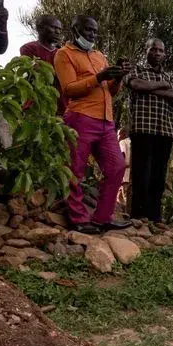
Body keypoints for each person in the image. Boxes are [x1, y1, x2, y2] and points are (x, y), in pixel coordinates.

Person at [53, 15, 131, 234]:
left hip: (106, 120)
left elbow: (111, 91)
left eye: (95, 31)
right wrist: (99, 77)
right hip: (80, 117)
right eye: (88, 30)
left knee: (116, 167)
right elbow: (69, 89)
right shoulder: (63, 54)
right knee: (75, 170)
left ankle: (102, 218)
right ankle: (78, 219)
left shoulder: (99, 56)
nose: (92, 35)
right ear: (75, 29)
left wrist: (118, 78)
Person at [126, 38, 173, 223]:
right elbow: (136, 85)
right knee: (141, 172)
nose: (157, 53)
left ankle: (154, 216)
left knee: (159, 175)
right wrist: (161, 86)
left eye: (160, 50)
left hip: (164, 131)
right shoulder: (137, 70)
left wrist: (150, 88)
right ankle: (138, 215)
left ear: (164, 54)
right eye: (153, 49)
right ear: (146, 50)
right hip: (142, 128)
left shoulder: (170, 76)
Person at [20, 15, 66, 116]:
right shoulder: (29, 48)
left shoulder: (62, 52)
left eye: (59, 29)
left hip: (61, 106)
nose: (57, 32)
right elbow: (37, 74)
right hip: (37, 104)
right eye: (54, 27)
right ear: (40, 28)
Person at [118, 127, 132, 212]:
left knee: (124, 194)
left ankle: (125, 213)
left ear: (124, 134)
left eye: (119, 134)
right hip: (129, 173)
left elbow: (122, 154)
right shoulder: (130, 142)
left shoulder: (122, 142)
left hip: (124, 172)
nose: (118, 136)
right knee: (124, 194)